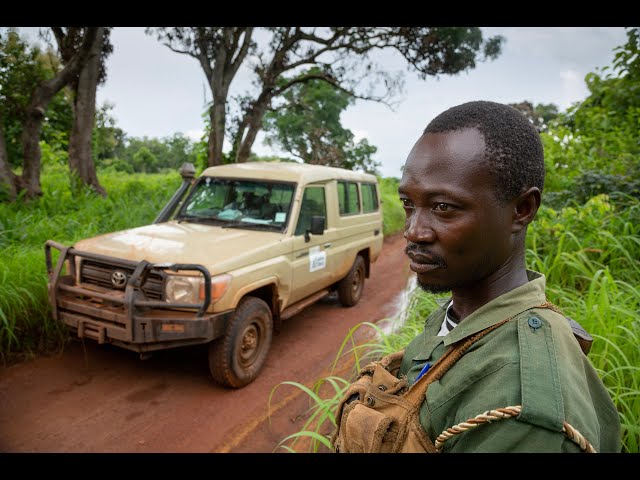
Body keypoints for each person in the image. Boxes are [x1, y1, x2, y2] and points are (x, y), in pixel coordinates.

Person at [333, 100, 621, 453]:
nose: (414, 231)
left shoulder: (522, 413)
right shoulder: (463, 315)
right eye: (409, 203)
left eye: (443, 207)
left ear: (522, 209)